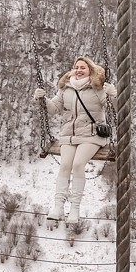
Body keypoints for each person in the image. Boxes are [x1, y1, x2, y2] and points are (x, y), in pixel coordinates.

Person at [34, 55, 116, 229]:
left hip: (92, 135)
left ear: (90, 70)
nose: (79, 70)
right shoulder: (66, 88)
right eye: (76, 67)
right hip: (69, 134)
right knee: (65, 166)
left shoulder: (99, 88)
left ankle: (74, 208)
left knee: (78, 165)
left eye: (83, 68)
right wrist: (42, 99)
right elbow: (53, 108)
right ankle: (58, 207)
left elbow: (115, 108)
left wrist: (114, 94)